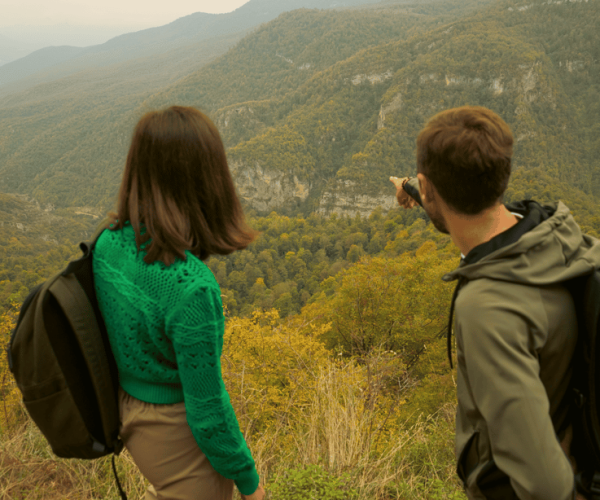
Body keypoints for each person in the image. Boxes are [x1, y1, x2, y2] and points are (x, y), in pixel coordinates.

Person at [390, 105, 600, 500]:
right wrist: (418, 191)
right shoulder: (552, 234)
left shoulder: (486, 310)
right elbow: (466, 213)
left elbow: (546, 486)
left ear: (429, 186)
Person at [92, 105, 266, 500]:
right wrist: (249, 482)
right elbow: (207, 412)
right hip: (173, 428)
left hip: (128, 413)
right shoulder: (191, 288)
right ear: (206, 181)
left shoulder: (109, 242)